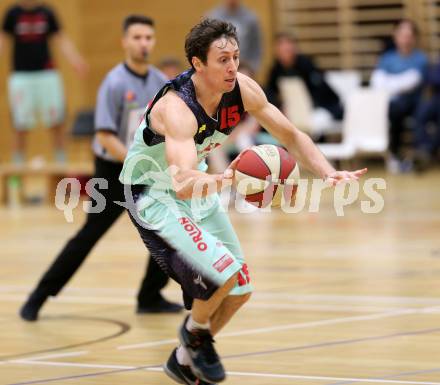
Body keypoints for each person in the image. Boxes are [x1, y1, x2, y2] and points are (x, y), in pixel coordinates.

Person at [119, 18, 367, 384]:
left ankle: (185, 356)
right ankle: (196, 333)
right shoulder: (177, 109)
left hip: (198, 182)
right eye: (222, 60)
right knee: (222, 274)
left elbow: (292, 135)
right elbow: (183, 183)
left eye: (235, 57)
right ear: (197, 63)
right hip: (154, 193)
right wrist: (227, 179)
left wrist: (327, 172)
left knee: (240, 289)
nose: (232, 66)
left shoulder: (243, 89)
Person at [19, 15, 182, 322]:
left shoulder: (161, 82)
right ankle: (39, 295)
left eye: (148, 37)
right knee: (89, 236)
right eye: (137, 37)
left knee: (165, 230)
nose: (143, 43)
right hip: (111, 170)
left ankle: (150, 296)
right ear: (124, 41)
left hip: (144, 171)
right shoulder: (115, 82)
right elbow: (105, 136)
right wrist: (137, 161)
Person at [0, 0, 87, 163]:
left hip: (47, 75)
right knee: (20, 126)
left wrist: (75, 60)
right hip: (21, 77)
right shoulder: (12, 14)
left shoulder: (47, 12)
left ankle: (61, 167)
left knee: (56, 123)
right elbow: (2, 41)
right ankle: (16, 175)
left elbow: (61, 39)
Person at [370, 19, 428, 173]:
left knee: (405, 110)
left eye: (409, 35)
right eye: (402, 35)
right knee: (392, 109)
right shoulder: (387, 58)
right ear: (395, 36)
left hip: (413, 104)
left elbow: (411, 82)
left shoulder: (420, 58)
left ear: (414, 38)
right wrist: (397, 84)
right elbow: (377, 83)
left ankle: (415, 156)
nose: (405, 39)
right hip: (390, 105)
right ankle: (394, 155)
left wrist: (390, 83)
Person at [265, 32, 344, 132]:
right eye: (281, 47)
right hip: (294, 110)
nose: (284, 50)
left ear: (294, 48)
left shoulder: (306, 65)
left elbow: (321, 91)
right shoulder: (276, 70)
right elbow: (270, 92)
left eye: (287, 47)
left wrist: (303, 108)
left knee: (313, 124)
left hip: (321, 108)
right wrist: (281, 106)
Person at [207, 0, 262, 73]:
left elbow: (256, 47)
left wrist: (251, 68)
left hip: (244, 69)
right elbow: (207, 46)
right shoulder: (213, 17)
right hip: (220, 68)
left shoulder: (251, 19)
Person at [412, 61, 440, 171]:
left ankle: (429, 150)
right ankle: (423, 150)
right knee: (420, 115)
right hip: (437, 98)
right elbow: (431, 77)